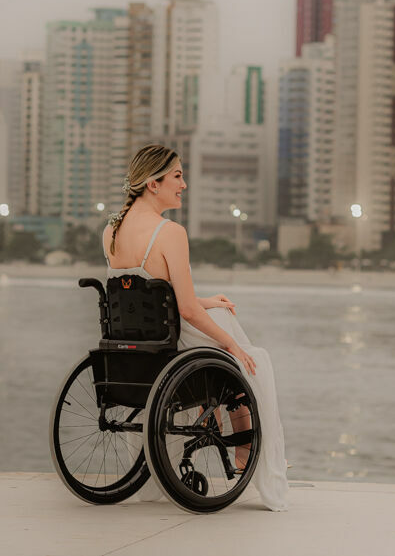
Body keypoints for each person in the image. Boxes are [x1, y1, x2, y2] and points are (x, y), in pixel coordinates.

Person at [102, 144, 290, 512]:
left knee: (220, 314)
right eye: (177, 176)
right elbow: (184, 309)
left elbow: (153, 294)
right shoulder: (169, 232)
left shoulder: (110, 230)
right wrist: (232, 347)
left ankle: (238, 437)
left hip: (134, 342)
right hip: (170, 343)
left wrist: (209, 302)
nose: (184, 184)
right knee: (248, 354)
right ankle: (244, 446)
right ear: (153, 184)